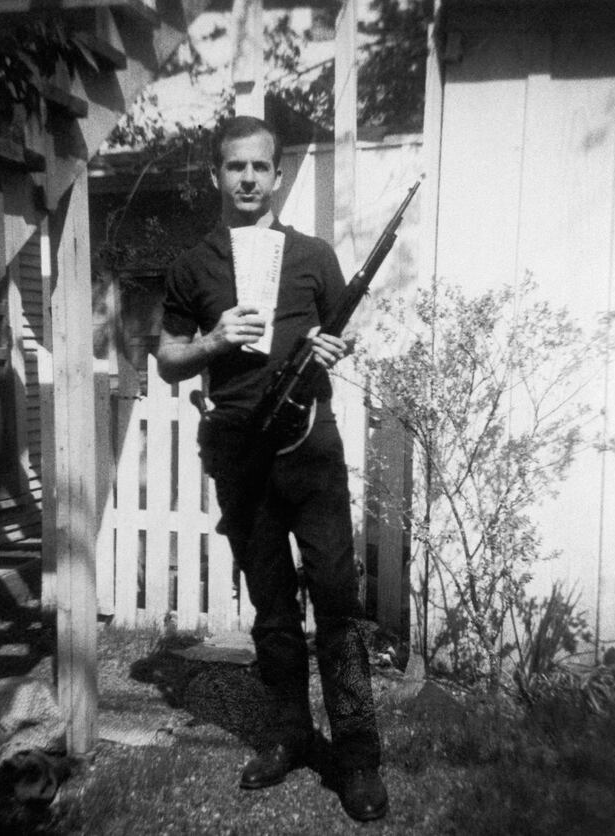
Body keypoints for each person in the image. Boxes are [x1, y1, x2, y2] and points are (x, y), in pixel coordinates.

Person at [156, 116, 388, 822]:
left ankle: (357, 756)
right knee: (273, 608)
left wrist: (336, 348)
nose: (249, 179)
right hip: (238, 454)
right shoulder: (192, 265)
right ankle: (290, 735)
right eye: (236, 167)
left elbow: (346, 331)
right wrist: (212, 341)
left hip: (311, 451)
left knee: (337, 599)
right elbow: (167, 357)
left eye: (261, 167)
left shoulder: (314, 255)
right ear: (216, 175)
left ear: (278, 176)